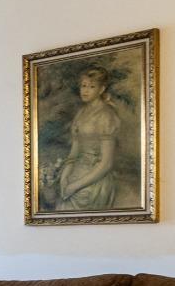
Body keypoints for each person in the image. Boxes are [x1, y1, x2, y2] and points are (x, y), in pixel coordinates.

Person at [52, 65, 122, 210]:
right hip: (75, 174)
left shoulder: (106, 116)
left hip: (94, 179)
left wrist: (75, 186)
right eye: (83, 86)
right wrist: (64, 178)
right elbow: (74, 153)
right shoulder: (81, 114)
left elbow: (106, 163)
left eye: (91, 86)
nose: (85, 90)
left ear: (101, 89)